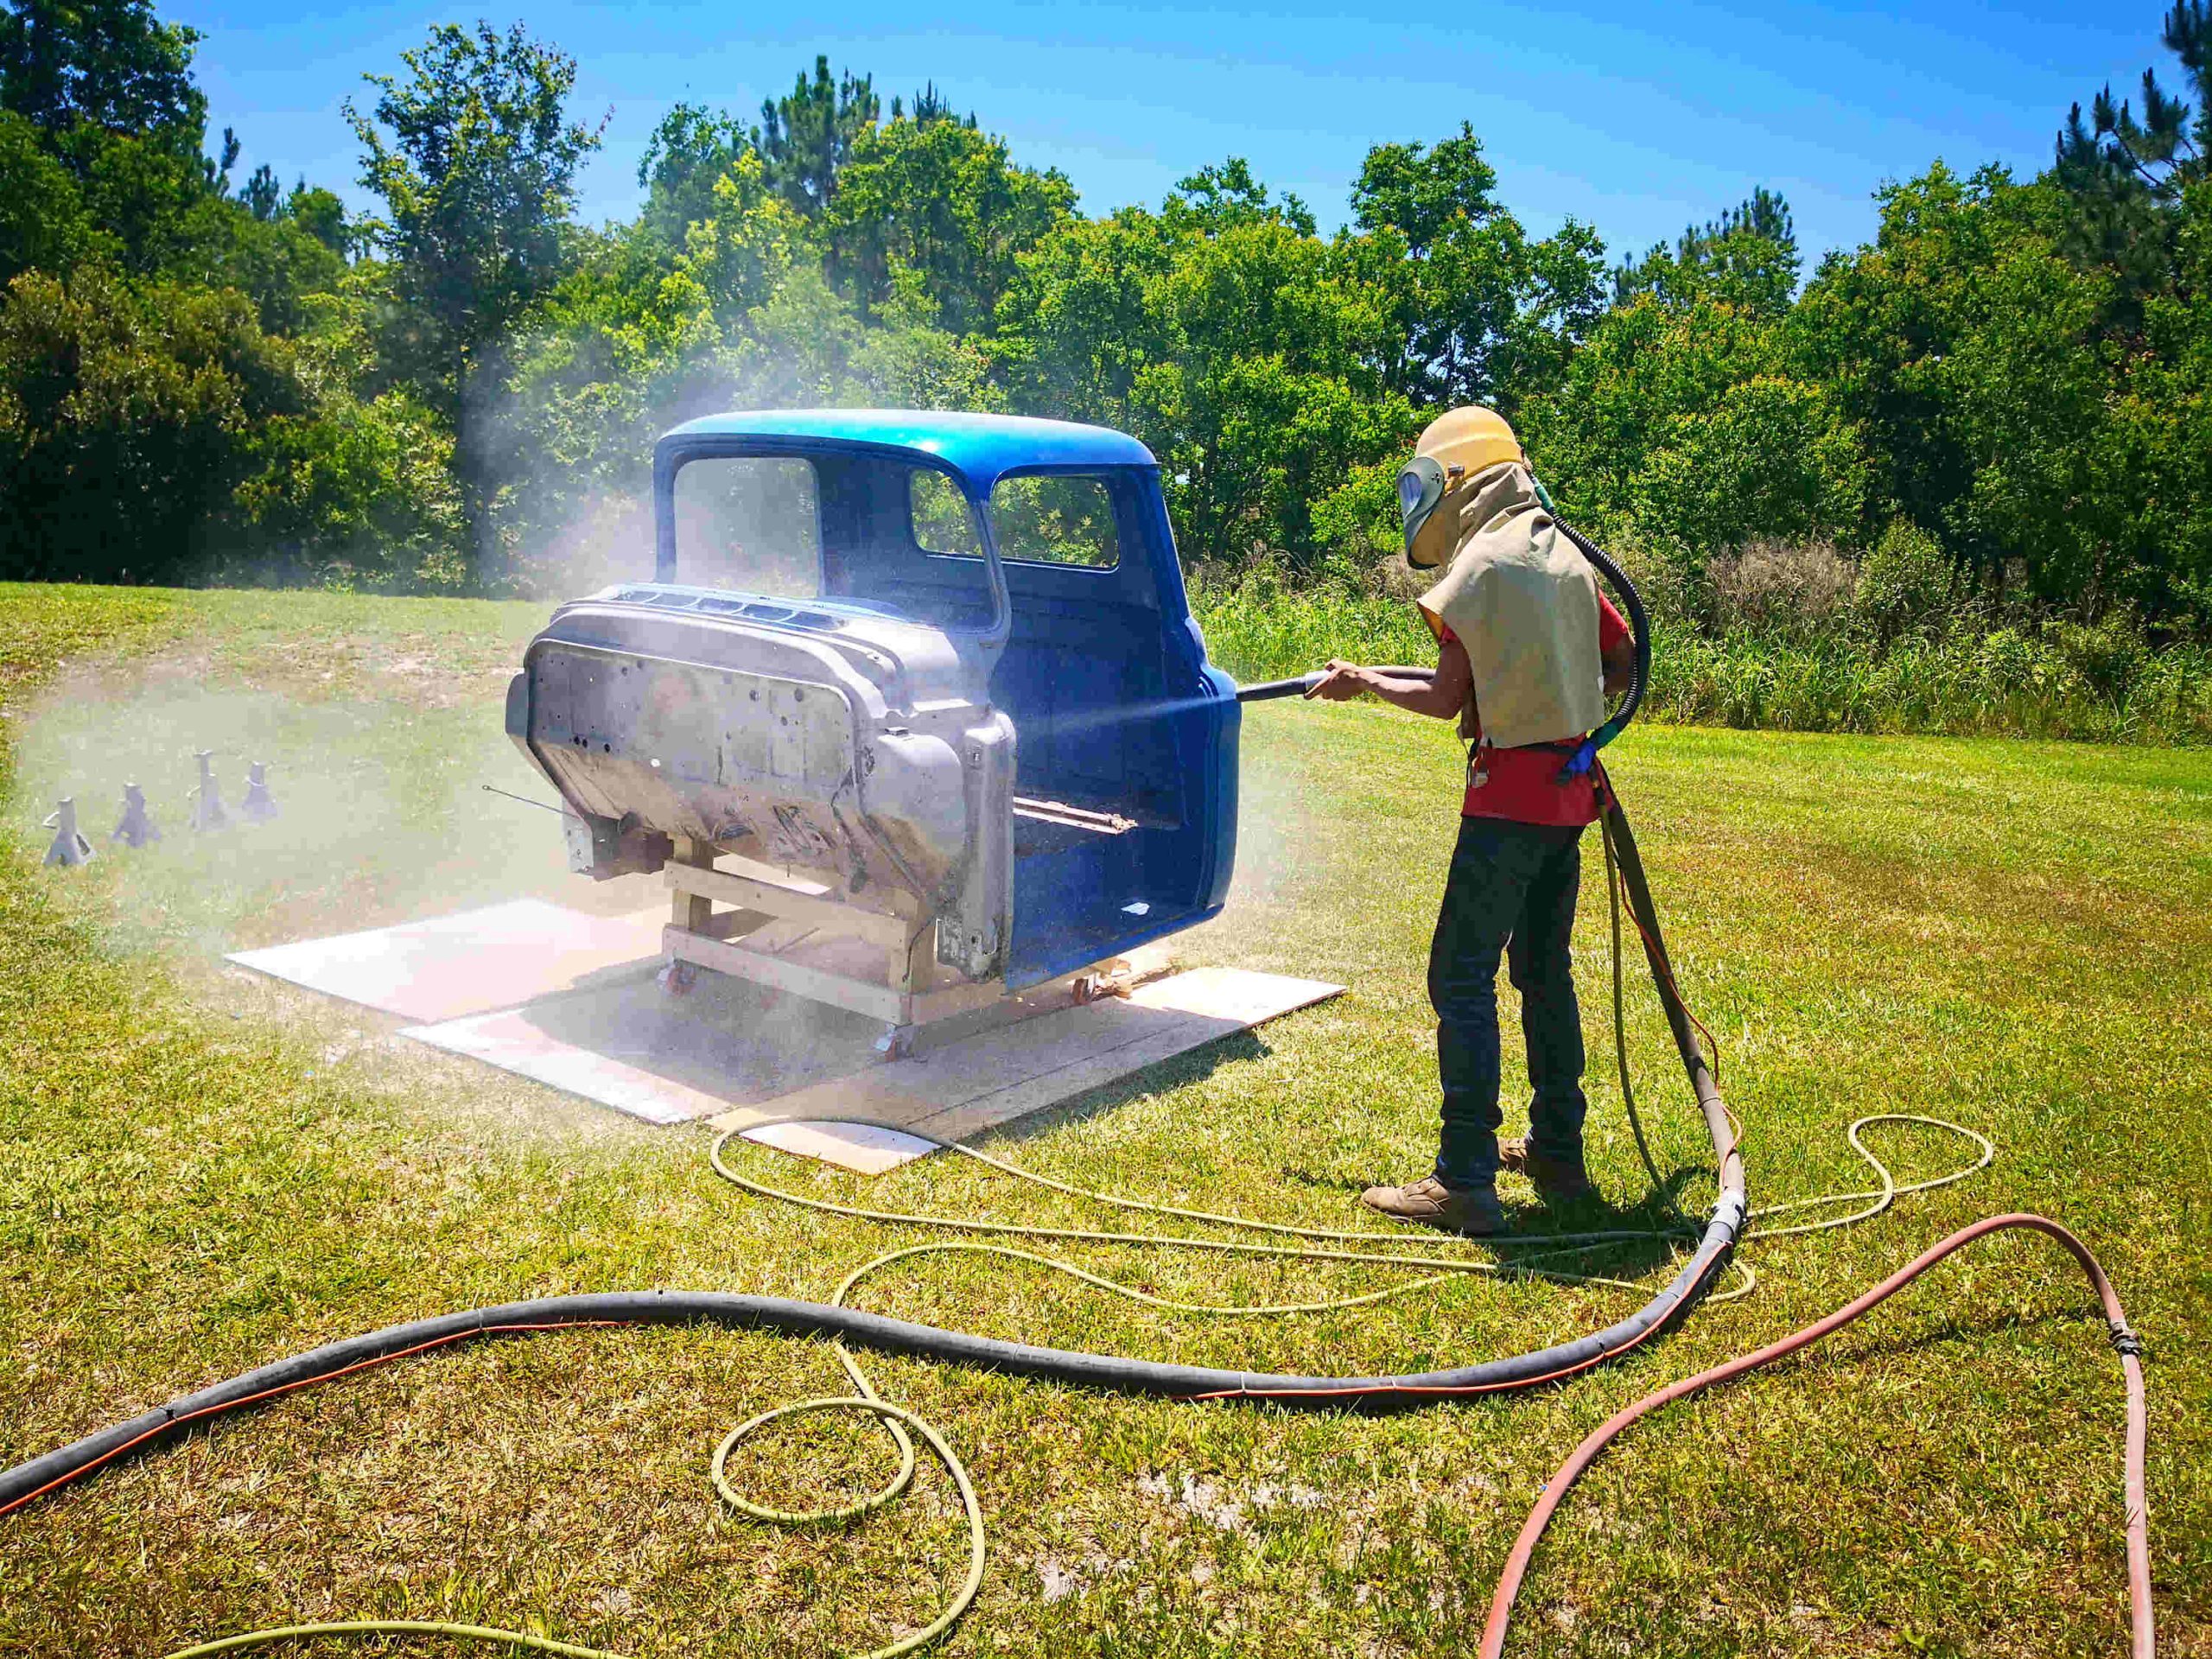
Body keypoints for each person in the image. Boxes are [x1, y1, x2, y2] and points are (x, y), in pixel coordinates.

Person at [1306, 407, 1636, 1236]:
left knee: (1459, 975)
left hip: (1506, 806)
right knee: (1543, 974)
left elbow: (1445, 694)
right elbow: (1621, 657)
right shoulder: (1560, 554)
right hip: (1568, 801)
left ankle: (1464, 1179)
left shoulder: (1483, 564)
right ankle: (1559, 1150)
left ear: (1455, 482)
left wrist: (1366, 684)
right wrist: (1544, 699)